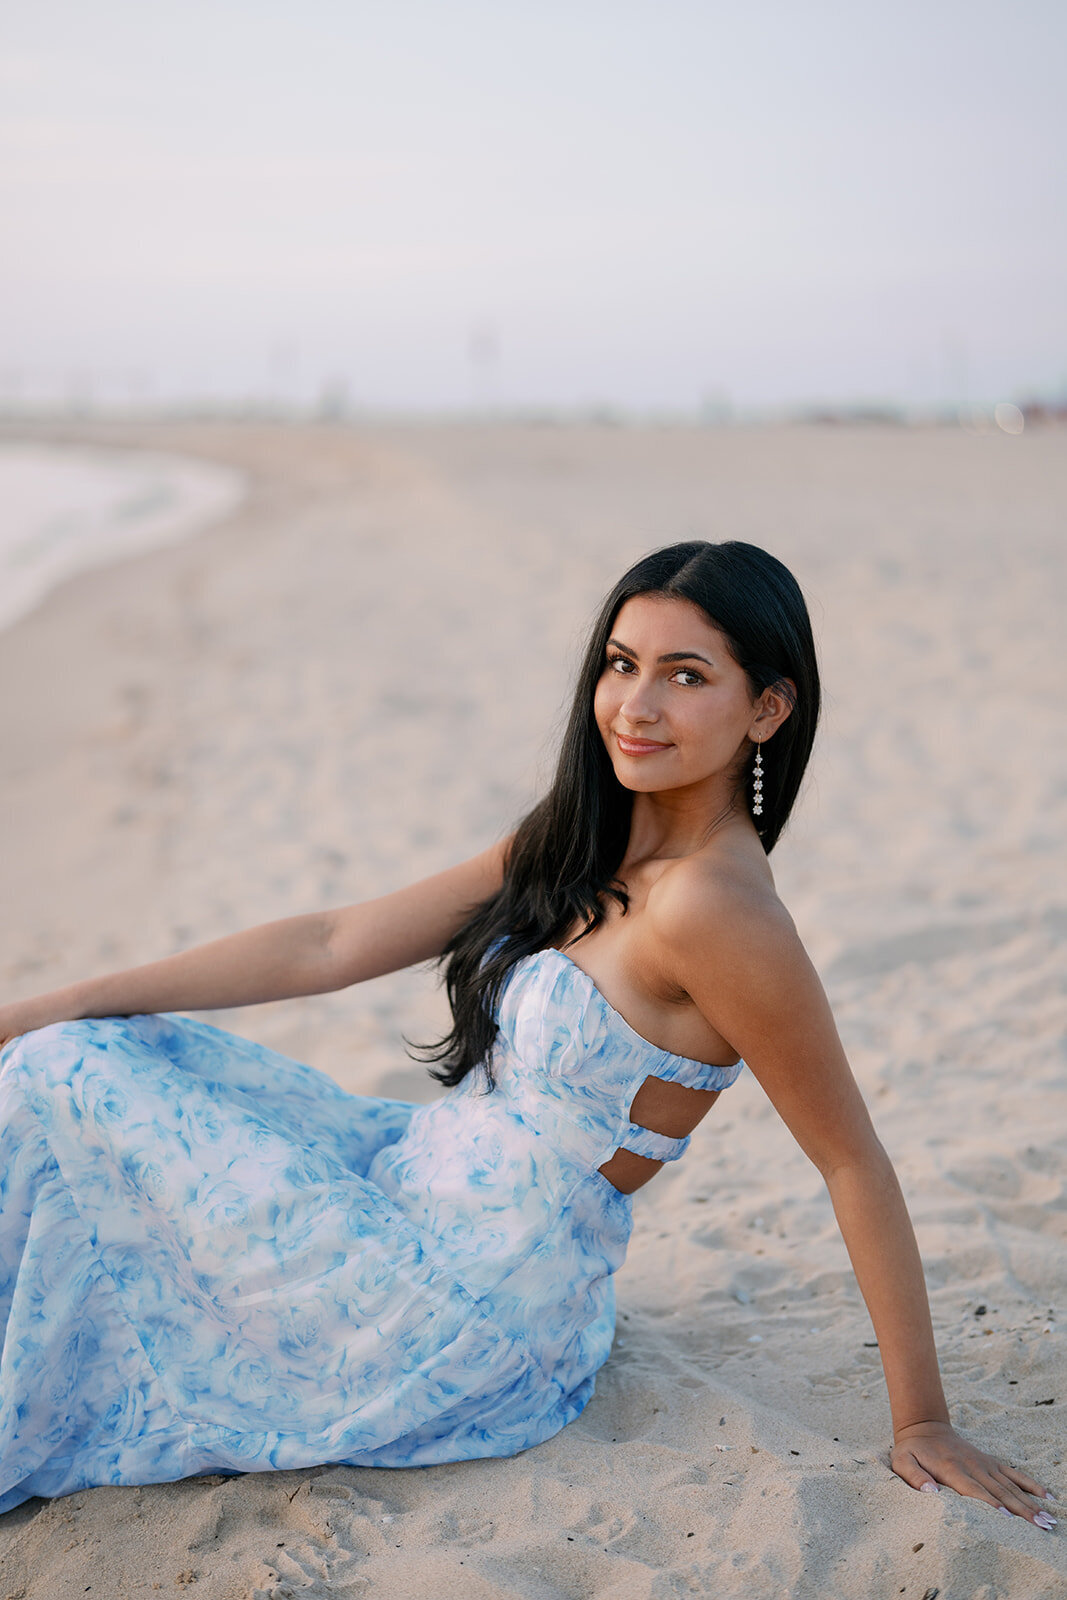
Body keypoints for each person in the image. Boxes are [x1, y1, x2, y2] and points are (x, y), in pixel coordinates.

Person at [0, 540, 1054, 1528]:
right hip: (405, 1178)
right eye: (619, 663)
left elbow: (846, 1155)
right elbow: (328, 942)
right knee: (91, 1048)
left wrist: (919, 1416)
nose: (634, 706)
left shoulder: (712, 909)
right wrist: (47, 1000)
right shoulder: (584, 839)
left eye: (685, 676)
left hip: (467, 1299)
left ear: (767, 708)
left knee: (72, 1076)